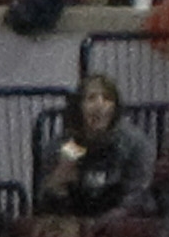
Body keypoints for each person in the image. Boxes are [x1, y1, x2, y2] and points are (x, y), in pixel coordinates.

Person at [39, 74, 154, 220]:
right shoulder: (65, 145)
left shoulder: (134, 143)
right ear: (79, 107)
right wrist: (58, 183)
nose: (99, 105)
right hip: (74, 222)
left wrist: (103, 223)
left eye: (107, 99)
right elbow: (45, 204)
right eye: (91, 98)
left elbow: (137, 197)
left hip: (118, 222)